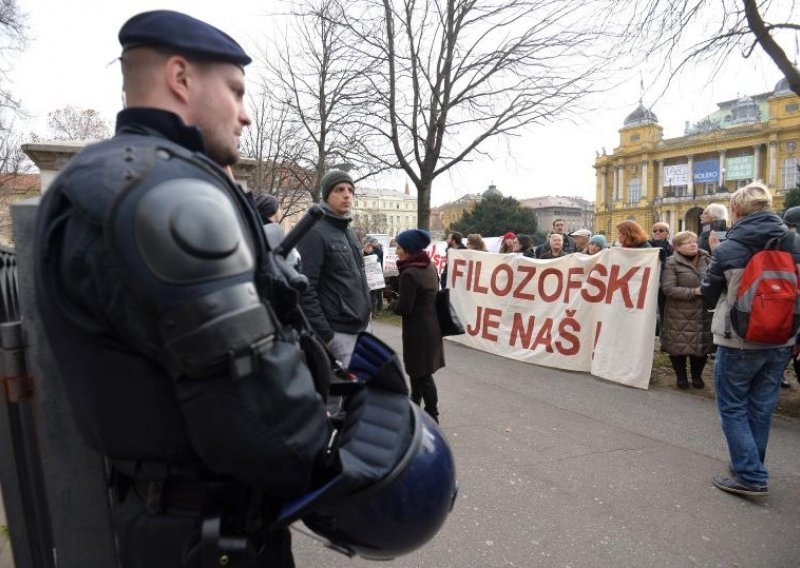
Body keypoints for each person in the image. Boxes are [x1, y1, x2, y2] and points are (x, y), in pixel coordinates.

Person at [32, 11, 332, 566]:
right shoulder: (167, 197)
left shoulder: (118, 177)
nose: (244, 114)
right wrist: (328, 458)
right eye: (236, 91)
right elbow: (250, 398)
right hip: (208, 532)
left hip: (174, 520)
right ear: (180, 77)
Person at [701, 182, 799, 497]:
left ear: (737, 211)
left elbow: (708, 295)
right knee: (761, 406)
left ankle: (750, 474)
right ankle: (750, 462)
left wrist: (716, 257)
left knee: (732, 406)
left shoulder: (730, 247)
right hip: (782, 338)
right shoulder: (794, 243)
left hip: (739, 340)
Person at [297, 169, 372, 368]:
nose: (347, 194)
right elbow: (305, 289)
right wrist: (326, 336)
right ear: (327, 195)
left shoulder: (348, 231)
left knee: (361, 393)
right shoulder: (313, 231)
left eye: (350, 190)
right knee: (336, 396)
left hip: (361, 329)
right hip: (338, 333)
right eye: (339, 189)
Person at [390, 229, 445, 423]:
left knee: (423, 375)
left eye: (398, 247)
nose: (396, 251)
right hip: (431, 326)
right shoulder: (429, 266)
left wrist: (392, 303)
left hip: (418, 332)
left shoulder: (410, 273)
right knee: (419, 373)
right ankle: (414, 407)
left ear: (408, 249)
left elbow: (404, 308)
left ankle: (432, 415)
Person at [660, 231, 713, 389]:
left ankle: (697, 376)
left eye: (694, 241)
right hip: (679, 312)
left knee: (701, 346)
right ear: (677, 247)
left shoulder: (707, 259)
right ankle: (681, 376)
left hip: (702, 310)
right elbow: (668, 288)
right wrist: (693, 292)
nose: (693, 245)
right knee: (678, 347)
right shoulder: (671, 262)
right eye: (687, 242)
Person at [364, 237, 384, 316]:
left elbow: (378, 263)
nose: (368, 249)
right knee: (367, 295)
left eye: (370, 247)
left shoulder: (375, 255)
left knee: (374, 295)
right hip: (366, 278)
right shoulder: (361, 254)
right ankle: (368, 311)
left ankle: (372, 311)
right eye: (367, 247)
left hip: (374, 279)